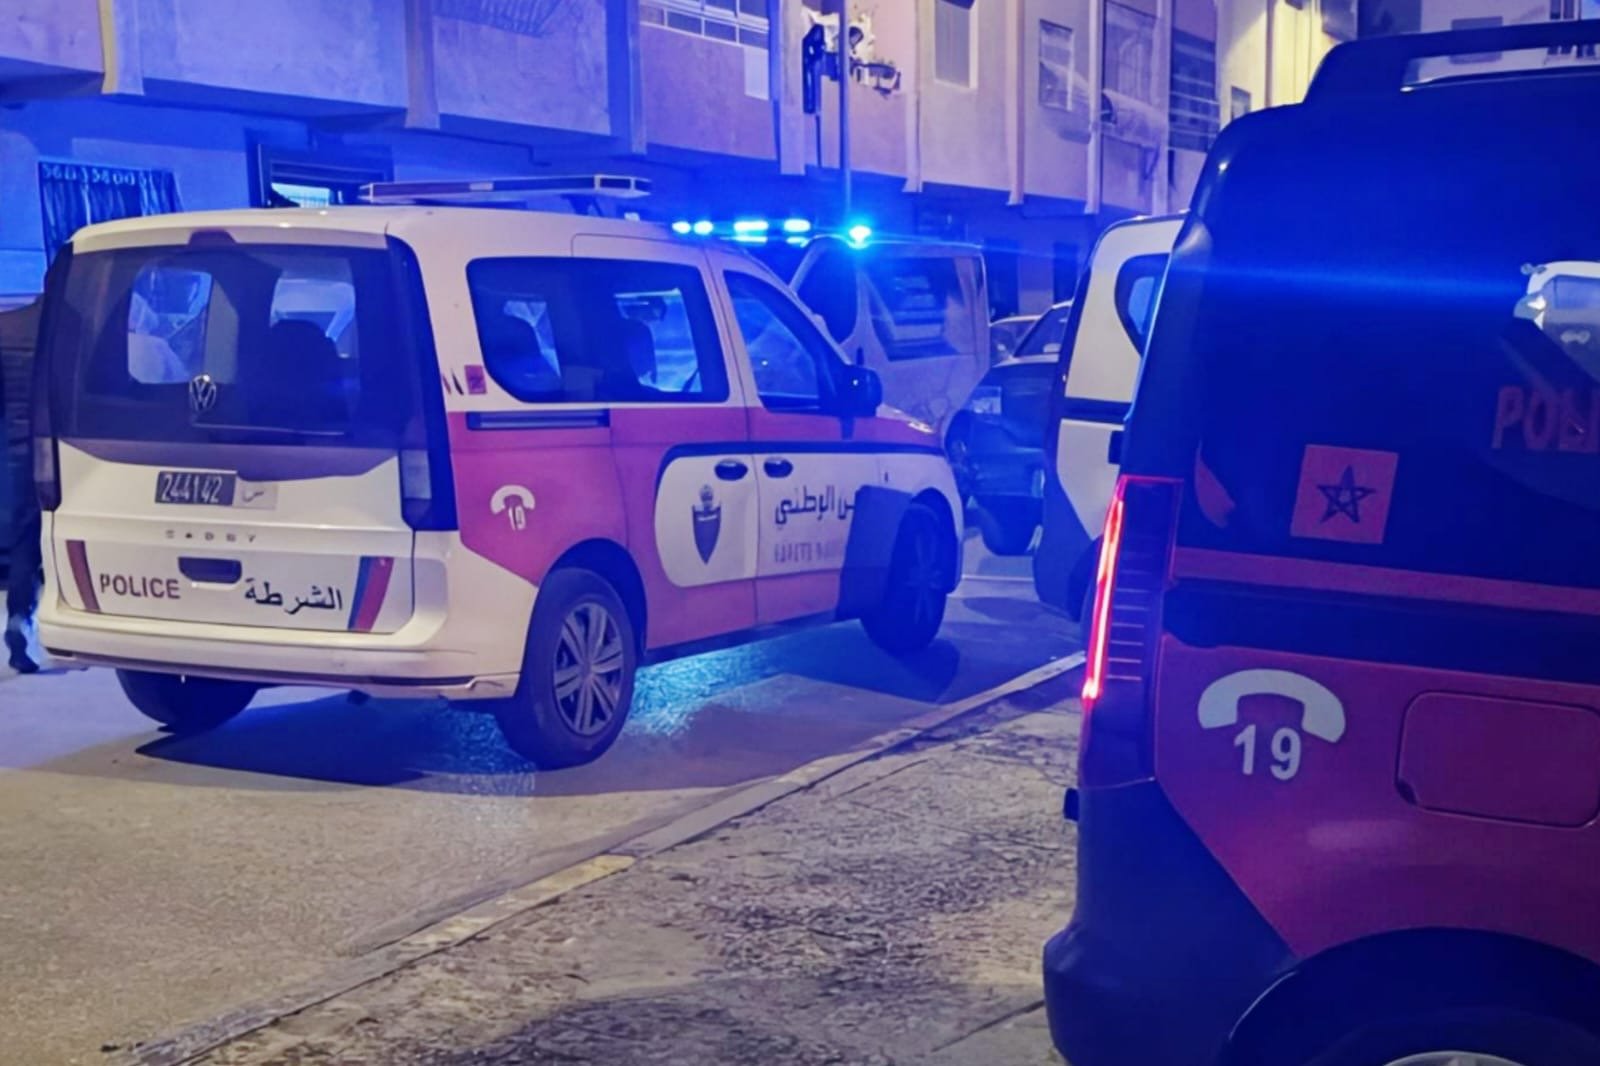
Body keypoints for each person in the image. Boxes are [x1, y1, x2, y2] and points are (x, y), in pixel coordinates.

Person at [2, 300, 42, 674]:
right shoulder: (72, 331)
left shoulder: (7, 328)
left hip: (18, 450)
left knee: (25, 539)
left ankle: (19, 617)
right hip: (68, 448)